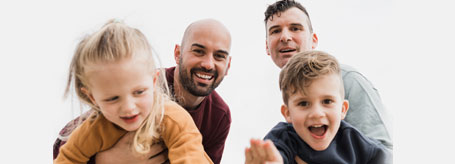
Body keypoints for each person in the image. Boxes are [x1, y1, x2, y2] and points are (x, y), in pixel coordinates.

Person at [53, 19, 232, 164]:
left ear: (228, 65)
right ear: (178, 54)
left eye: (219, 56)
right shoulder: (132, 81)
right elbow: (64, 149)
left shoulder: (215, 116)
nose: (129, 107)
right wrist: (109, 160)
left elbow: (191, 156)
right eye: (198, 51)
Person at [263, 0, 392, 149]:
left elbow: (383, 153)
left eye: (295, 28)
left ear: (314, 40)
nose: (285, 37)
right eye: (275, 31)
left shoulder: (348, 80)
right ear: (267, 46)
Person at [245, 51, 392, 164]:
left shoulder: (356, 143)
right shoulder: (284, 139)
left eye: (327, 101)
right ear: (287, 113)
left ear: (342, 109)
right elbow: (275, 156)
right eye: (303, 103)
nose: (316, 113)